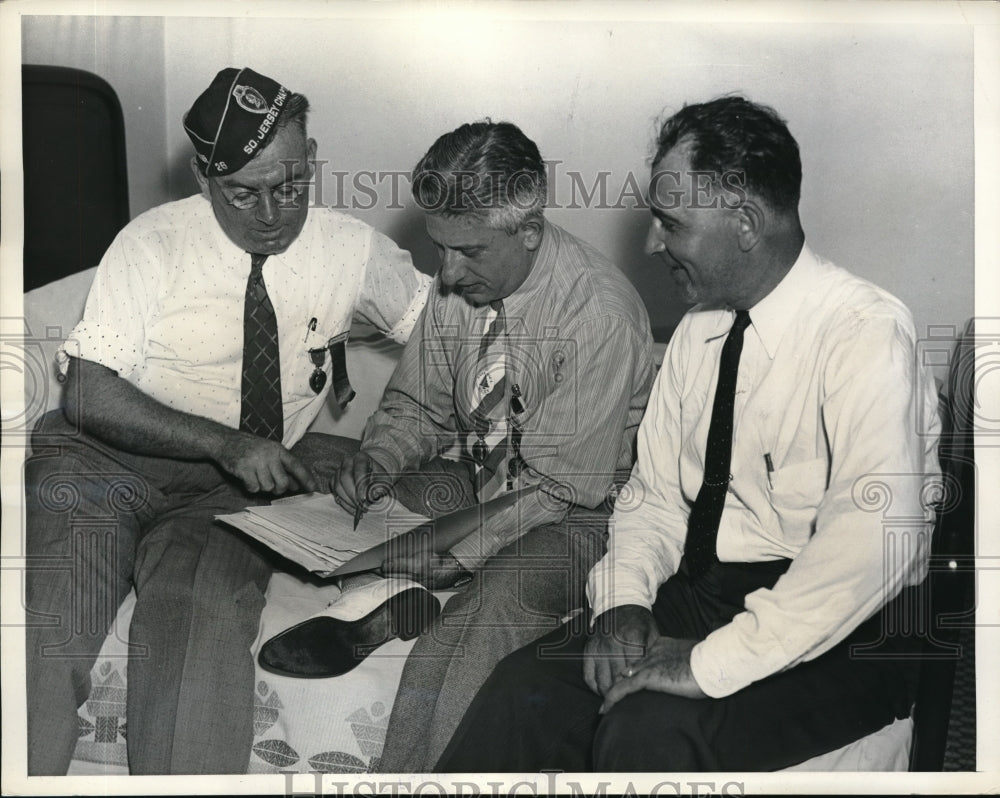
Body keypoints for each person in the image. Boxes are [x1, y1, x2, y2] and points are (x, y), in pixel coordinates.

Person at [436, 96, 942, 772]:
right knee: (525, 689)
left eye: (669, 223)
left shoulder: (866, 332)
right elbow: (655, 499)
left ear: (746, 223)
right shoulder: (697, 336)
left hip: (851, 627)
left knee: (648, 731)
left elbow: (871, 541)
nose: (651, 243)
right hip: (704, 590)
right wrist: (622, 602)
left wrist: (709, 665)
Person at [23, 66, 431, 775]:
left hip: (229, 493)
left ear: (312, 161)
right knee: (53, 625)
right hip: (102, 464)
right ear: (205, 180)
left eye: (292, 186)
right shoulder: (152, 243)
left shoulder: (352, 250)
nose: (273, 214)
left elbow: (451, 337)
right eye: (244, 193)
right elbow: (86, 393)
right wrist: (227, 442)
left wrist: (391, 443)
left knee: (198, 620)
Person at [322, 121, 655, 772]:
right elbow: (417, 405)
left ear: (527, 233)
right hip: (484, 481)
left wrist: (457, 555)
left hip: (588, 514)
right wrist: (380, 457)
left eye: (467, 250)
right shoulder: (457, 285)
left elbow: (557, 491)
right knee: (331, 508)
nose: (445, 272)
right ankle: (382, 594)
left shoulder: (598, 315)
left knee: (482, 614)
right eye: (438, 247)